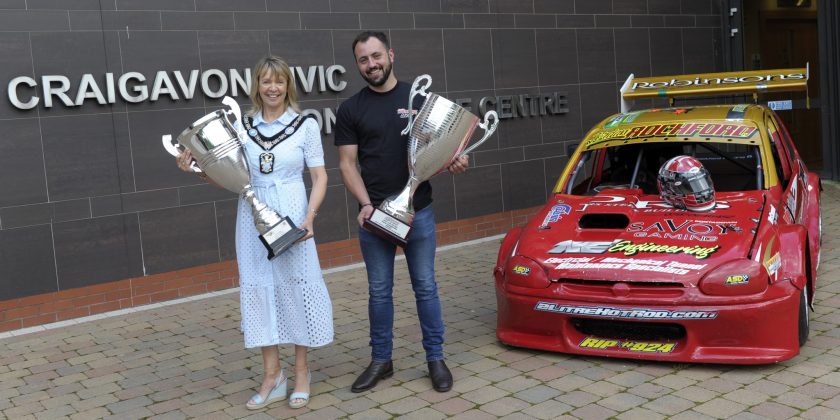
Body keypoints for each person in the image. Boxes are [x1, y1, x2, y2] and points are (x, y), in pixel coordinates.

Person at [176, 56, 333, 410]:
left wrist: (309, 219)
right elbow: (229, 176)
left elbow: (320, 176)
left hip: (294, 215)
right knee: (261, 290)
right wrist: (196, 169)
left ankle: (302, 372)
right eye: (266, 81)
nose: (272, 87)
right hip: (252, 218)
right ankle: (272, 376)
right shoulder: (242, 128)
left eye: (279, 81)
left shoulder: (306, 124)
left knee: (297, 288)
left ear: (288, 85)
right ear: (257, 87)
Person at [334, 31, 469, 393]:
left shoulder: (420, 99)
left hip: (418, 212)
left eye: (376, 56)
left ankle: (435, 359)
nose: (371, 64)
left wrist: (454, 160)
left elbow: (445, 148)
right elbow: (347, 164)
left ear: (391, 54)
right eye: (363, 59)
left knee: (425, 287)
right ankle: (382, 360)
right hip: (375, 217)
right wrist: (364, 204)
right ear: (357, 65)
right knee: (379, 292)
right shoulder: (351, 109)